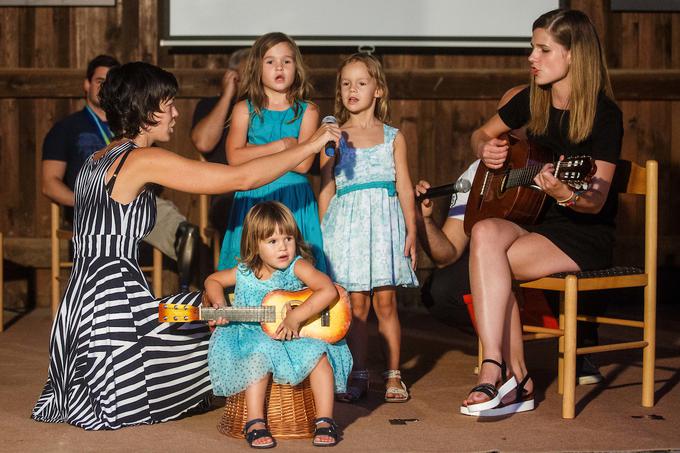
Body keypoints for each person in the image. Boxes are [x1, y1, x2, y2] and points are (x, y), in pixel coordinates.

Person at [31, 61, 340, 430]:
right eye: (169, 104)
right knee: (224, 324)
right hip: (114, 310)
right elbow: (239, 176)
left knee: (198, 306)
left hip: (77, 311)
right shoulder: (142, 159)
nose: (176, 112)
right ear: (147, 111)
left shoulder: (94, 161)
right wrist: (312, 144)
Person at [460, 9, 623, 416]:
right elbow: (480, 133)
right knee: (483, 234)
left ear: (573, 55)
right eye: (532, 47)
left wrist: (566, 193)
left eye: (543, 49)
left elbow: (596, 200)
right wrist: (485, 148)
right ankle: (501, 369)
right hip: (536, 223)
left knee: (495, 262)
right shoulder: (531, 99)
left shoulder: (605, 115)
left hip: (583, 234)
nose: (532, 57)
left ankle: (507, 375)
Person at [41, 54, 200, 292]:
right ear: (86, 84)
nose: (176, 114)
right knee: (197, 325)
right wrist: (94, 200)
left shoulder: (130, 141)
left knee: (181, 229)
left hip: (136, 206)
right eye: (100, 81)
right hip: (90, 212)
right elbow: (48, 183)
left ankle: (199, 281)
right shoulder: (67, 128)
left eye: (111, 82)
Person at [205, 201, 352, 448]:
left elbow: (327, 289)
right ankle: (255, 421)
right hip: (252, 336)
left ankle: (325, 420)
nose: (283, 247)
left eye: (288, 238)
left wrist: (297, 316)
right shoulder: (244, 272)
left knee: (320, 356)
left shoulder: (297, 267)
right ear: (255, 244)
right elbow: (212, 280)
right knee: (258, 355)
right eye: (272, 241)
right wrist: (219, 305)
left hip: (293, 337)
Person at [319, 53, 418, 403]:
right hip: (347, 230)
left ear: (378, 90)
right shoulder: (333, 136)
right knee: (357, 306)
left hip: (384, 229)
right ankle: (358, 372)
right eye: (346, 83)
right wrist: (321, 234)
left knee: (386, 304)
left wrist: (412, 230)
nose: (352, 90)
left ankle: (393, 374)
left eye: (361, 83)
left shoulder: (393, 137)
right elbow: (327, 186)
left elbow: (404, 185)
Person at [217, 32, 326, 273]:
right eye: (270, 62)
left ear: (297, 67)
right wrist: (282, 146)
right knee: (250, 271)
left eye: (287, 61)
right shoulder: (243, 109)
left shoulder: (308, 110)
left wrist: (253, 151)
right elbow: (234, 157)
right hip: (254, 197)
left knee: (297, 271)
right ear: (257, 68)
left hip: (293, 199)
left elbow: (303, 164)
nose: (280, 67)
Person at [191, 48, 249, 239]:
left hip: (266, 187)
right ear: (233, 77)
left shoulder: (269, 109)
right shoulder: (210, 106)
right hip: (228, 193)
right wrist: (227, 96)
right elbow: (203, 143)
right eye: (246, 76)